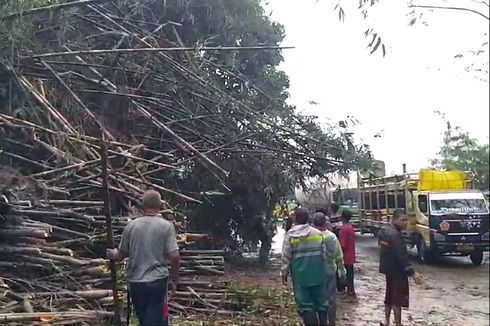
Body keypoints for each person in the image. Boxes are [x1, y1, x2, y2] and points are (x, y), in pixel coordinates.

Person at [107, 190, 180, 326]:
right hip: (157, 281)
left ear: (142, 206)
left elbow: (120, 255)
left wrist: (111, 253)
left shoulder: (132, 226)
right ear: (159, 206)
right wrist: (174, 279)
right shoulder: (166, 226)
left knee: (146, 318)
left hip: (136, 282)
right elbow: (174, 256)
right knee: (154, 318)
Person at [282, 208, 329, 326]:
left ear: (295, 218)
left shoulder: (290, 235)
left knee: (305, 305)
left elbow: (286, 257)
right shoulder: (317, 233)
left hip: (300, 276)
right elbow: (324, 255)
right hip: (318, 274)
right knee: (322, 303)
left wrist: (284, 273)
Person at [378, 209, 423, 326]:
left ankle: (386, 321)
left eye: (406, 220)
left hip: (388, 270)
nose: (405, 223)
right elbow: (402, 256)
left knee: (388, 296)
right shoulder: (395, 235)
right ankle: (398, 323)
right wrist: (413, 273)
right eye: (403, 220)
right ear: (395, 219)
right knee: (397, 300)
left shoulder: (384, 231)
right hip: (398, 272)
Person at [312, 212, 346, 326]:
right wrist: (342, 272)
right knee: (331, 299)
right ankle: (331, 322)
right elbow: (338, 256)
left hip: (315, 272)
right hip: (329, 270)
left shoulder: (310, 236)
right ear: (325, 222)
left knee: (316, 298)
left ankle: (320, 321)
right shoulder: (331, 236)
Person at [338, 210, 357, 299]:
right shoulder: (350, 227)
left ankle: (349, 292)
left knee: (346, 274)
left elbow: (343, 244)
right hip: (351, 254)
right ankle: (351, 291)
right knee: (350, 274)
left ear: (342, 217)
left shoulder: (344, 229)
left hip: (346, 256)